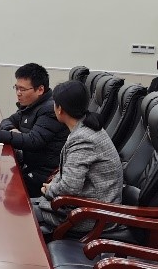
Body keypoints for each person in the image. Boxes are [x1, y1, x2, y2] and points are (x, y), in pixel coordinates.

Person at [32, 80, 124, 236]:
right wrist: (53, 185)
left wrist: (50, 190)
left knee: (22, 213)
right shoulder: (85, 127)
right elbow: (69, 172)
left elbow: (70, 187)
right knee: (24, 206)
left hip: (91, 216)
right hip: (85, 206)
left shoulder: (83, 138)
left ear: (59, 109)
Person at [0, 63, 68, 194]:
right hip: (28, 165)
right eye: (16, 88)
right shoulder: (31, 104)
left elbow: (33, 141)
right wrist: (12, 131)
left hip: (43, 177)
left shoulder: (50, 110)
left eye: (22, 89)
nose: (18, 93)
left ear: (40, 90)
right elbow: (7, 121)